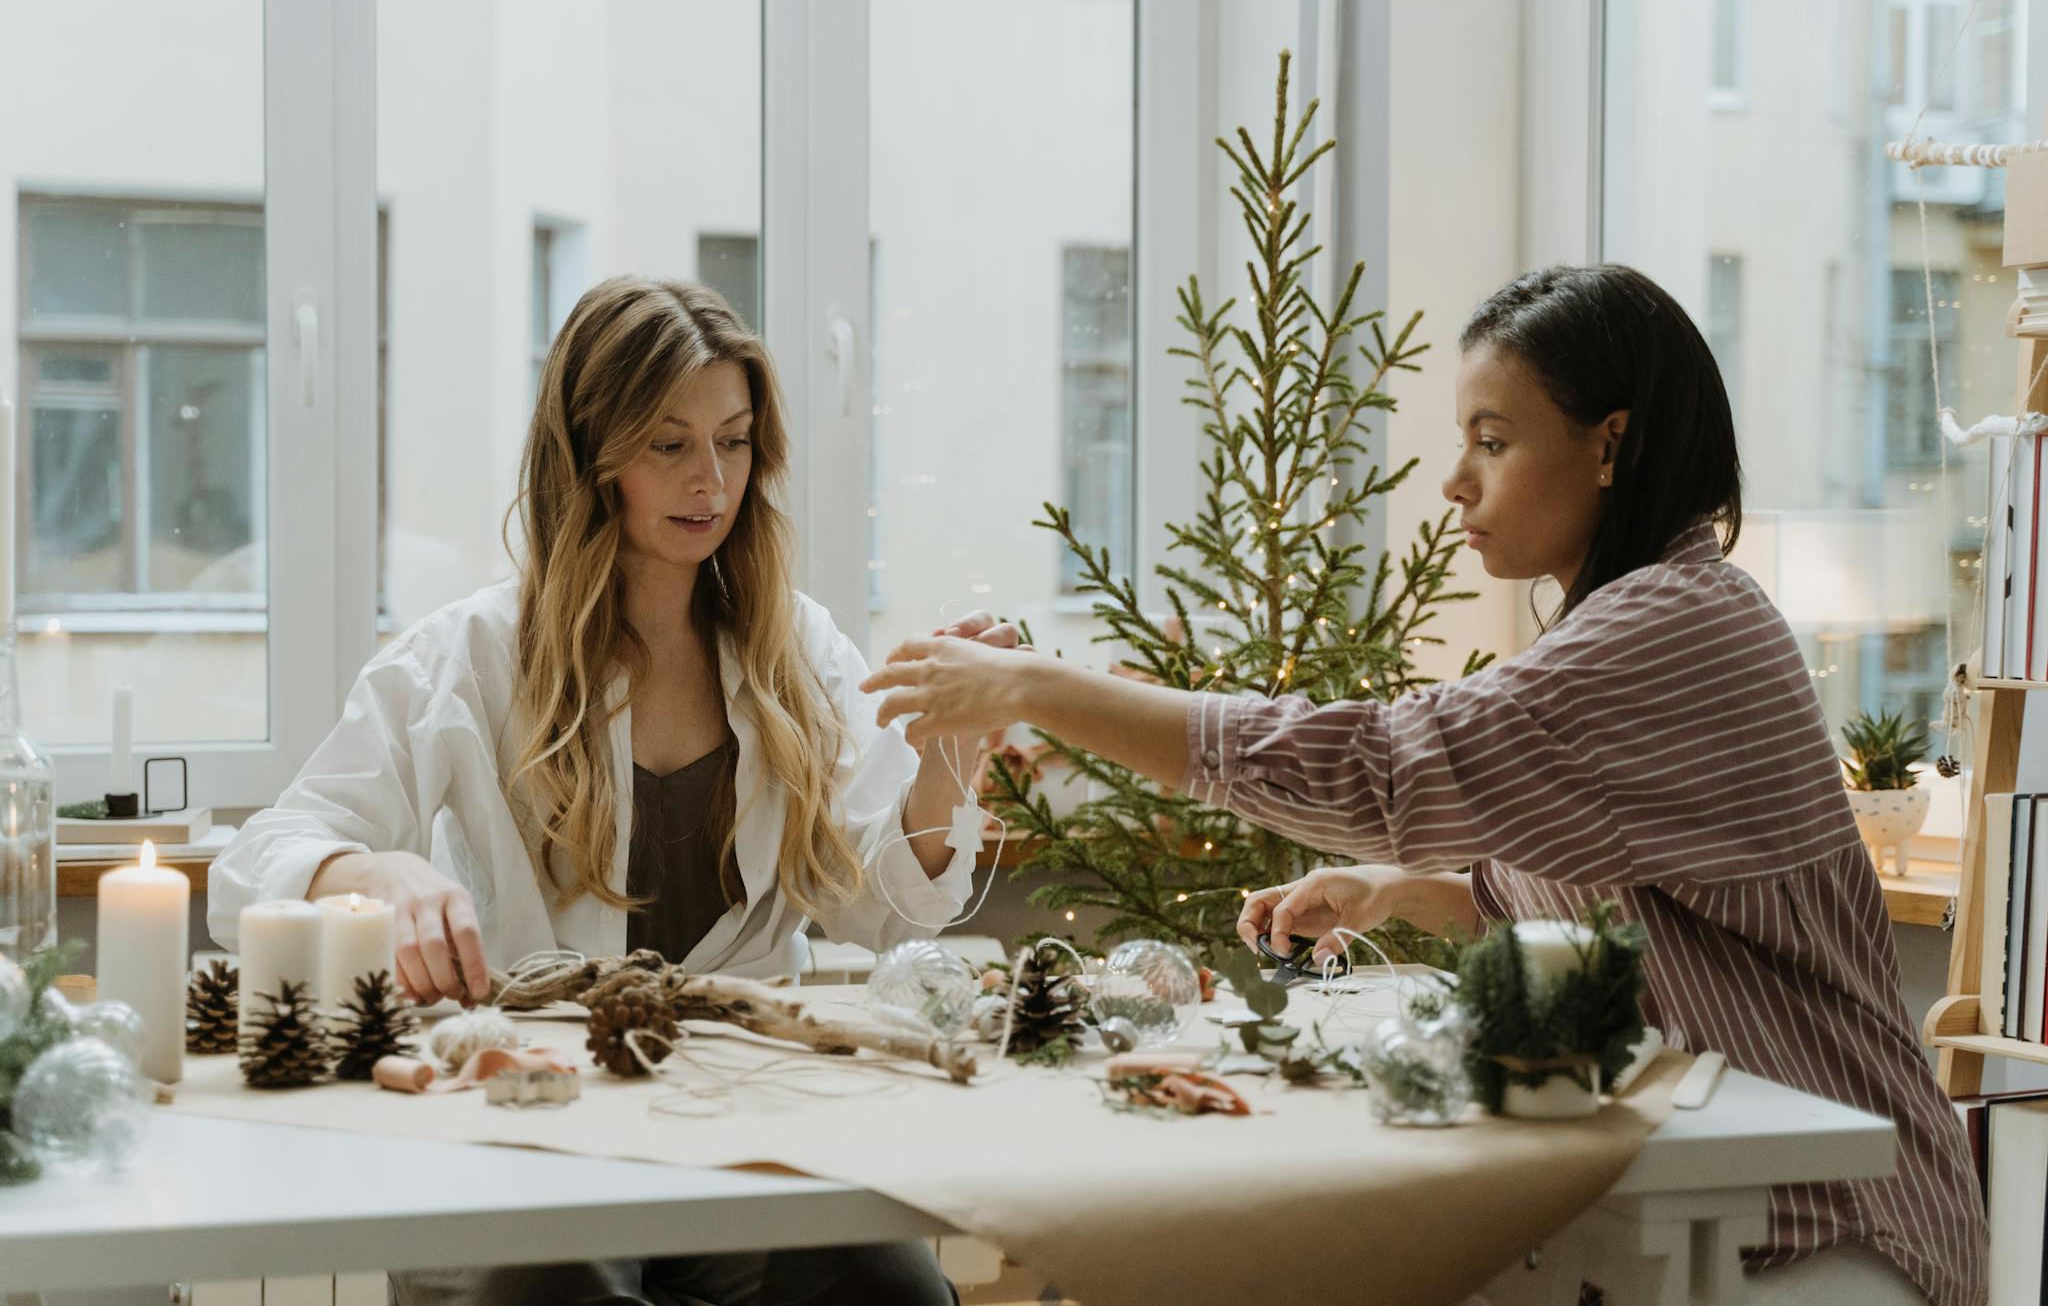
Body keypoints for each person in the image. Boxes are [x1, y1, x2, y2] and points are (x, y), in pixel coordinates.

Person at [860, 264, 1985, 1306]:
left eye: (1490, 441)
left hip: (1835, 1219)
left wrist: (1038, 687)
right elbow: (1621, 904)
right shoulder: (1629, 618)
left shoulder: (1675, 624)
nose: (1453, 481)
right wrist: (1399, 890)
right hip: (1700, 1198)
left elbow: (1375, 764)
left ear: (1609, 445)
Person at [210, 277, 1003, 1306]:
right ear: (591, 455)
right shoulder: (472, 654)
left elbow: (878, 904)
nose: (709, 479)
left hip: (738, 1124)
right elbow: (256, 858)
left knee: (894, 1289)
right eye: (668, 443)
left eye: (733, 439)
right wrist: (368, 867)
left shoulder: (797, 647)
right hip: (534, 1132)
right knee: (567, 1287)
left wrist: (953, 760)